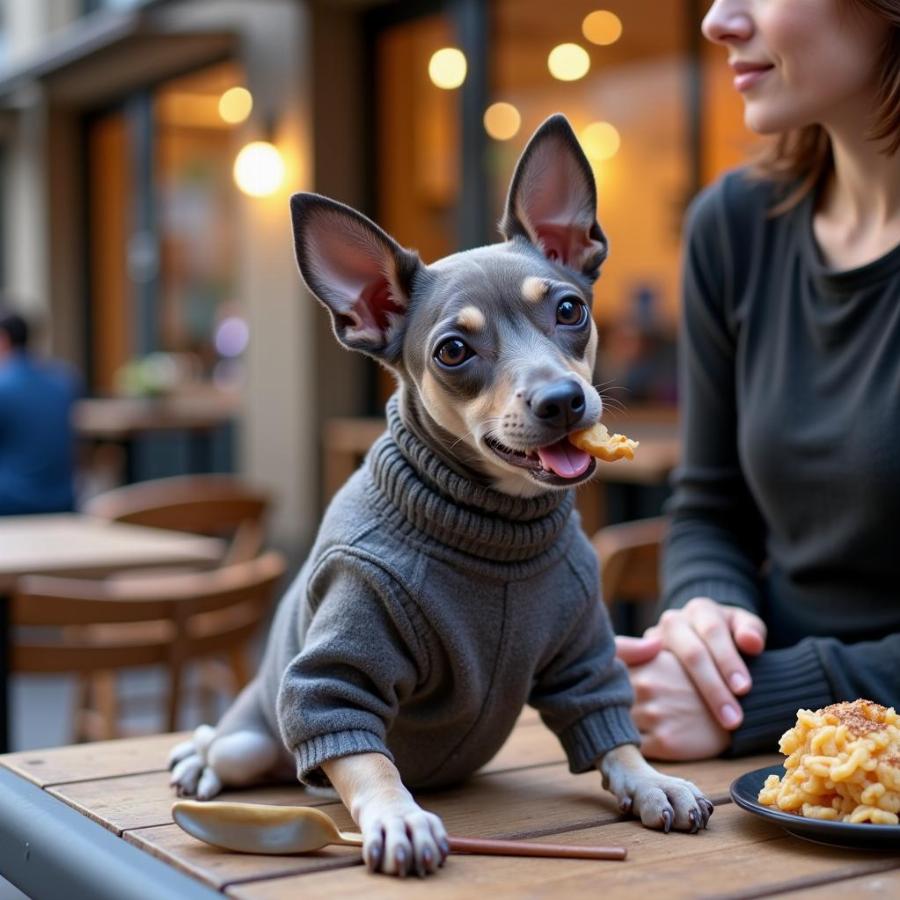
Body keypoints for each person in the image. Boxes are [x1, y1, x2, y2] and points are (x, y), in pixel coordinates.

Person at [615, 0, 900, 759]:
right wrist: (710, 617)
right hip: (763, 765)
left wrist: (768, 700)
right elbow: (711, 506)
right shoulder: (735, 226)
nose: (716, 20)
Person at [0, 309, 79, 515]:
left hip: (10, 503)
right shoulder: (64, 380)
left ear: (3, 339)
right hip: (62, 500)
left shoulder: (3, 385)